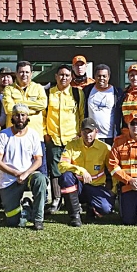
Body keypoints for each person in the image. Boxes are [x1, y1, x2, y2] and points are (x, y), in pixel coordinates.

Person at [0, 104, 49, 230]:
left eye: (23, 115)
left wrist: (25, 173)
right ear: (12, 117)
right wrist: (16, 174)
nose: (20, 118)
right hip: (9, 179)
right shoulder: (3, 135)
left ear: (27, 117)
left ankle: (38, 219)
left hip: (28, 175)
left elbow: (38, 160)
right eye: (17, 115)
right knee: (13, 222)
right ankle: (26, 207)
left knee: (40, 179)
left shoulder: (34, 135)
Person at [59, 117, 113, 226]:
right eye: (85, 132)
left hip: (96, 186)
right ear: (80, 132)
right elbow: (61, 165)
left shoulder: (105, 148)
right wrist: (80, 170)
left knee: (106, 209)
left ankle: (91, 208)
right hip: (78, 185)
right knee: (66, 177)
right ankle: (75, 216)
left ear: (96, 132)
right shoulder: (71, 145)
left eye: (90, 132)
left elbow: (113, 169)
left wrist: (114, 190)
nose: (88, 135)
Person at [47, 64, 84, 212]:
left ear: (71, 77)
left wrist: (80, 133)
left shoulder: (77, 93)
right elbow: (44, 115)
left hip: (72, 139)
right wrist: (46, 134)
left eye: (67, 75)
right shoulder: (48, 93)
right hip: (54, 138)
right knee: (55, 171)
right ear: (56, 77)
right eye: (61, 75)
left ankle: (74, 201)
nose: (64, 78)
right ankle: (56, 200)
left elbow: (81, 115)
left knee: (73, 170)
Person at [1, 61, 48, 172]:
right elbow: (9, 110)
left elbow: (42, 105)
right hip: (14, 136)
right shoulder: (8, 89)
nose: (24, 75)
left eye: (27, 72)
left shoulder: (38, 88)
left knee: (40, 171)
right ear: (16, 74)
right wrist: (32, 109)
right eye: (21, 72)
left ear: (31, 74)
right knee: (15, 170)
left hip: (36, 136)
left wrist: (20, 104)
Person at [81, 63, 122, 145]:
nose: (101, 78)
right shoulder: (87, 90)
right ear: (94, 77)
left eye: (104, 76)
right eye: (99, 76)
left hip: (110, 137)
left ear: (109, 77)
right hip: (91, 136)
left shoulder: (117, 92)